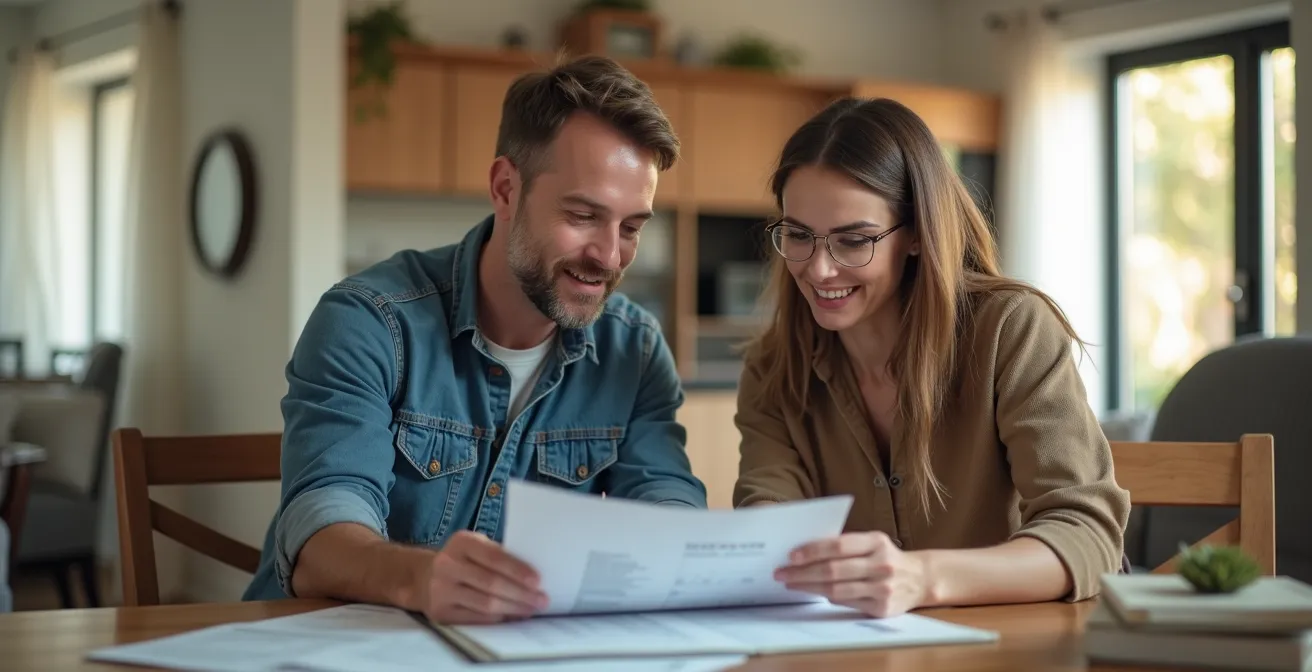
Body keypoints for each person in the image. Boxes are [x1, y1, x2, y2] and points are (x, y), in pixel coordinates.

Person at [243, 55, 707, 623]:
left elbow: (663, 496)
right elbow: (319, 534)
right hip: (329, 646)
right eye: (584, 215)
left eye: (632, 227)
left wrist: (685, 546)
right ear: (506, 188)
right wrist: (422, 578)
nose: (610, 257)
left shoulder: (633, 348)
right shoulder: (368, 321)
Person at [733, 97, 1130, 618]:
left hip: (1018, 648)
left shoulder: (1010, 329)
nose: (819, 270)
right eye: (798, 236)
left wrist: (920, 578)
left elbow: (1088, 534)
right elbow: (770, 519)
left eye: (855, 240)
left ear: (917, 233)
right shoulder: (773, 365)